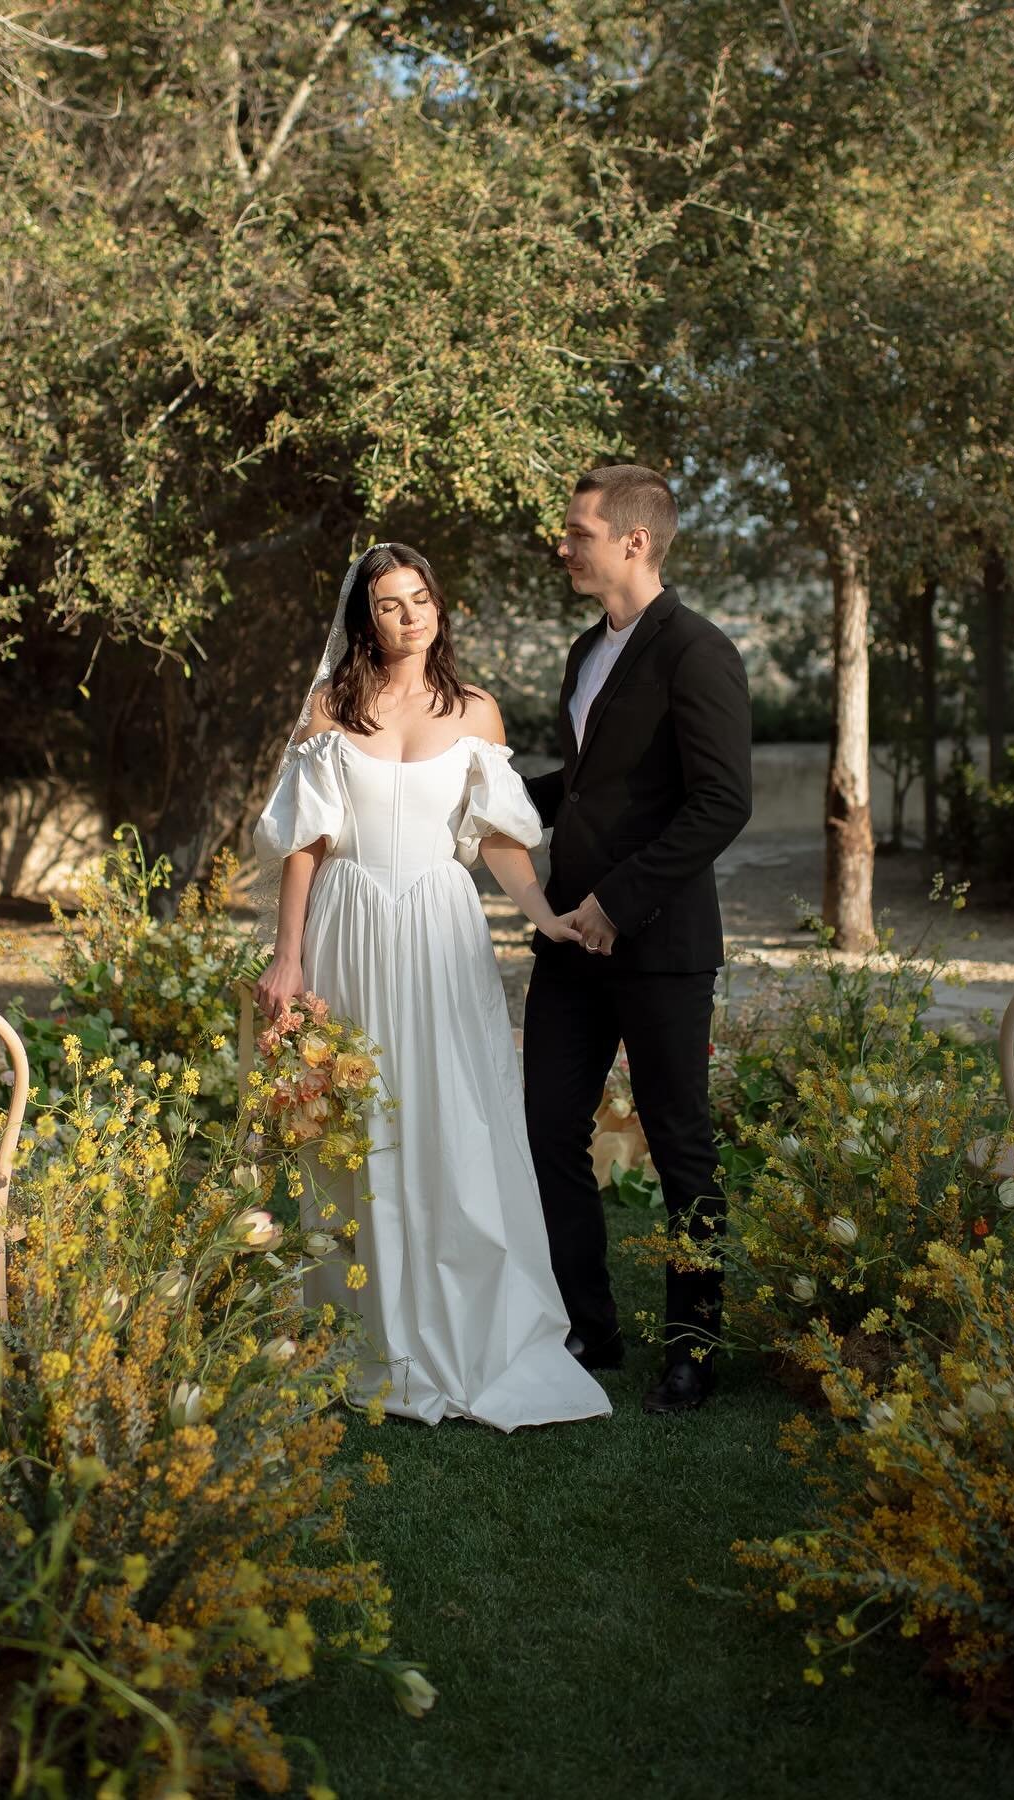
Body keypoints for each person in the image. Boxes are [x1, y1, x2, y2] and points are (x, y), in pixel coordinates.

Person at [252, 544, 610, 1432]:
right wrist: (287, 955)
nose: (408, 617)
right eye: (387, 604)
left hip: (440, 932)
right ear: (363, 618)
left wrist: (543, 912)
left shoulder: (475, 711)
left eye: (420, 600)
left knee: (452, 1114)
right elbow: (306, 843)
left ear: (438, 608)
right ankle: (361, 1326)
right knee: (355, 1124)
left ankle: (468, 1327)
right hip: (349, 927)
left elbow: (498, 839)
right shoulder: (329, 707)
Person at [522, 465, 753, 1415]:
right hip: (570, 942)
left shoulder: (698, 652)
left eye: (578, 532)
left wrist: (617, 902)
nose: (563, 546)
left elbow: (720, 804)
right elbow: (583, 789)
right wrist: (472, 801)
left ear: (634, 541)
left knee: (678, 1146)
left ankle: (693, 1349)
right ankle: (592, 1325)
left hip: (656, 943)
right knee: (547, 1131)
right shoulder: (585, 651)